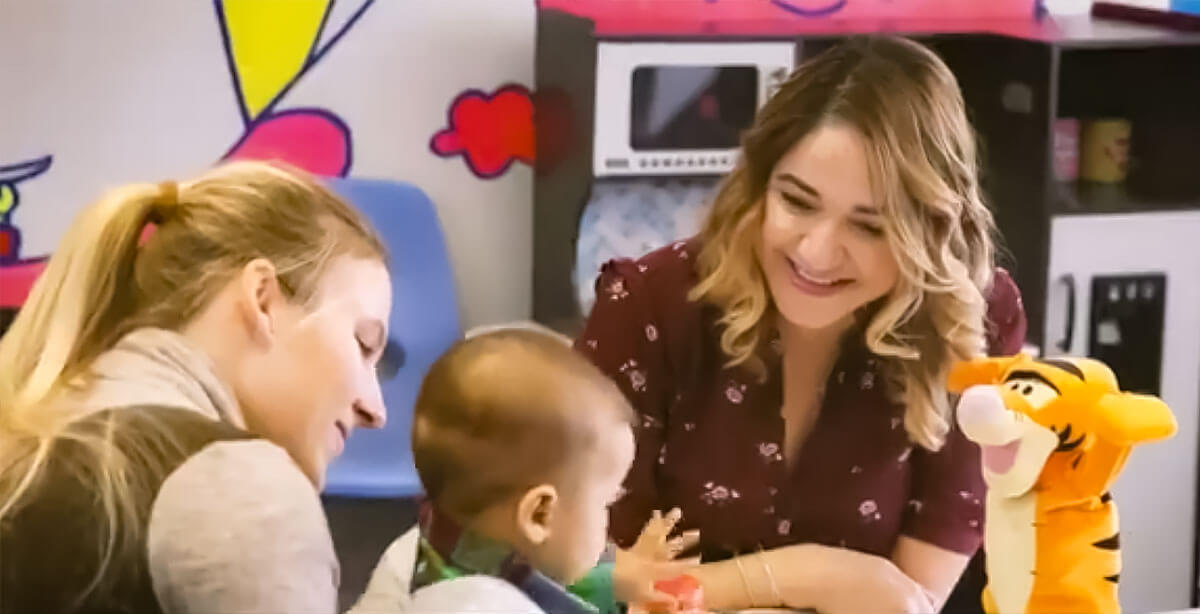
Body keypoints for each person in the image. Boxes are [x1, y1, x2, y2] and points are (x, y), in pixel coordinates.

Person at [576, 35, 1028, 613]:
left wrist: (720, 589)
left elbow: (911, 602)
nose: (817, 252)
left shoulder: (973, 318)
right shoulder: (647, 307)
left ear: (930, 234)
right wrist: (815, 575)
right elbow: (594, 578)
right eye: (797, 201)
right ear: (757, 186)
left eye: (869, 227)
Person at [0, 160, 392, 612]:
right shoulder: (238, 491)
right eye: (364, 346)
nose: (375, 409)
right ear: (262, 299)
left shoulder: (38, 433)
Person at [349, 329, 696, 614]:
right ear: (540, 514)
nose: (609, 529)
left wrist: (618, 584)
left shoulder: (419, 551)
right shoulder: (478, 608)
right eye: (606, 503)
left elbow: (544, 579)